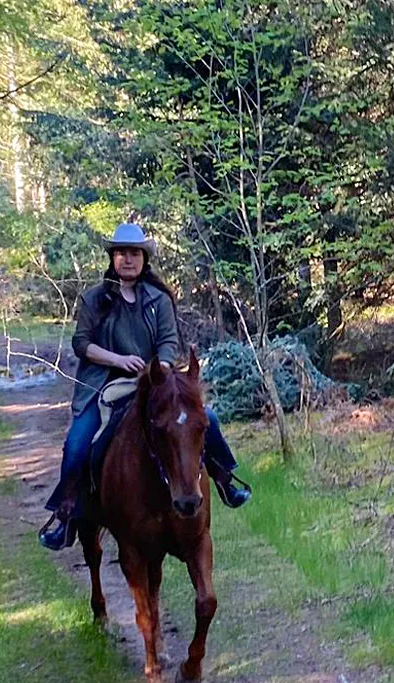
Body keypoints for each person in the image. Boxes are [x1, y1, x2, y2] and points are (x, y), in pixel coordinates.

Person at [39, 222, 250, 551]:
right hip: (103, 386)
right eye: (121, 253)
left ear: (143, 258)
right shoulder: (95, 299)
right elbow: (82, 344)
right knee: (77, 444)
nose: (127, 259)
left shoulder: (159, 299)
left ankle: (225, 481)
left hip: (154, 384)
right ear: (112, 258)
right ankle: (67, 515)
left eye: (134, 253)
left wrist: (160, 371)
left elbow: (167, 343)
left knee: (206, 419)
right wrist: (117, 360)